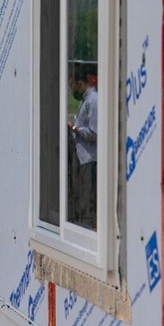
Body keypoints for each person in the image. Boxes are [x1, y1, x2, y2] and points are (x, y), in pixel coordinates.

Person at [67, 62, 98, 229]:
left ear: (80, 83)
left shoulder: (93, 101)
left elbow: (94, 132)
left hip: (91, 158)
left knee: (90, 197)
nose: (72, 91)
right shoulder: (85, 101)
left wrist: (74, 128)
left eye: (73, 87)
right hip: (84, 158)